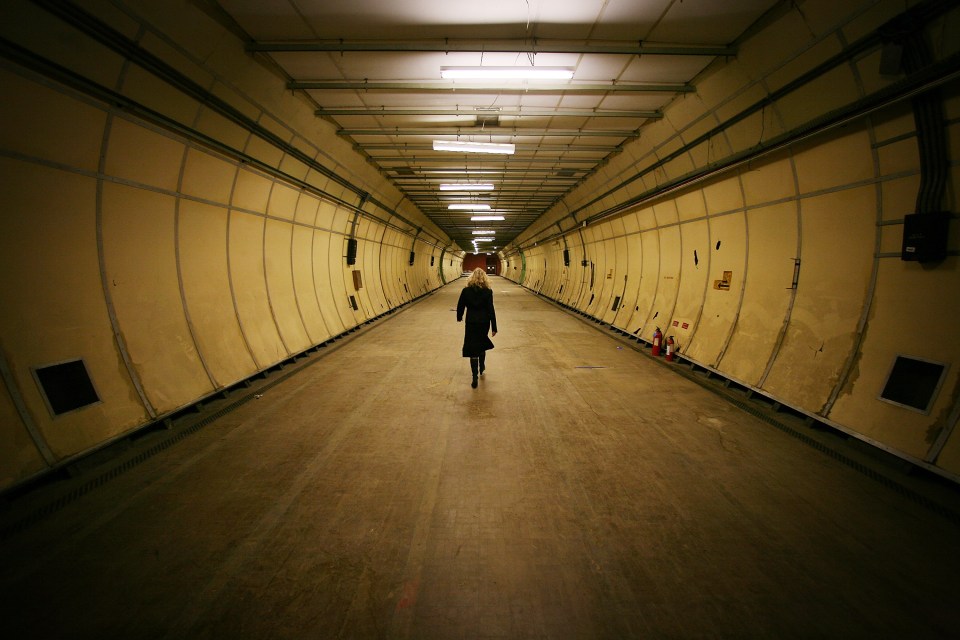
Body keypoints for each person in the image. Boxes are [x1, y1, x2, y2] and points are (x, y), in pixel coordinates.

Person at [457, 268, 498, 388]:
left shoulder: (466, 291)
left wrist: (459, 316)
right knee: (481, 343)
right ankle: (482, 365)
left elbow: (461, 305)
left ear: (471, 277)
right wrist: (494, 327)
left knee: (472, 346)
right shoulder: (488, 292)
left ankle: (474, 376)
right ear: (484, 278)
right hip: (484, 322)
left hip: (471, 322)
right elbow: (491, 309)